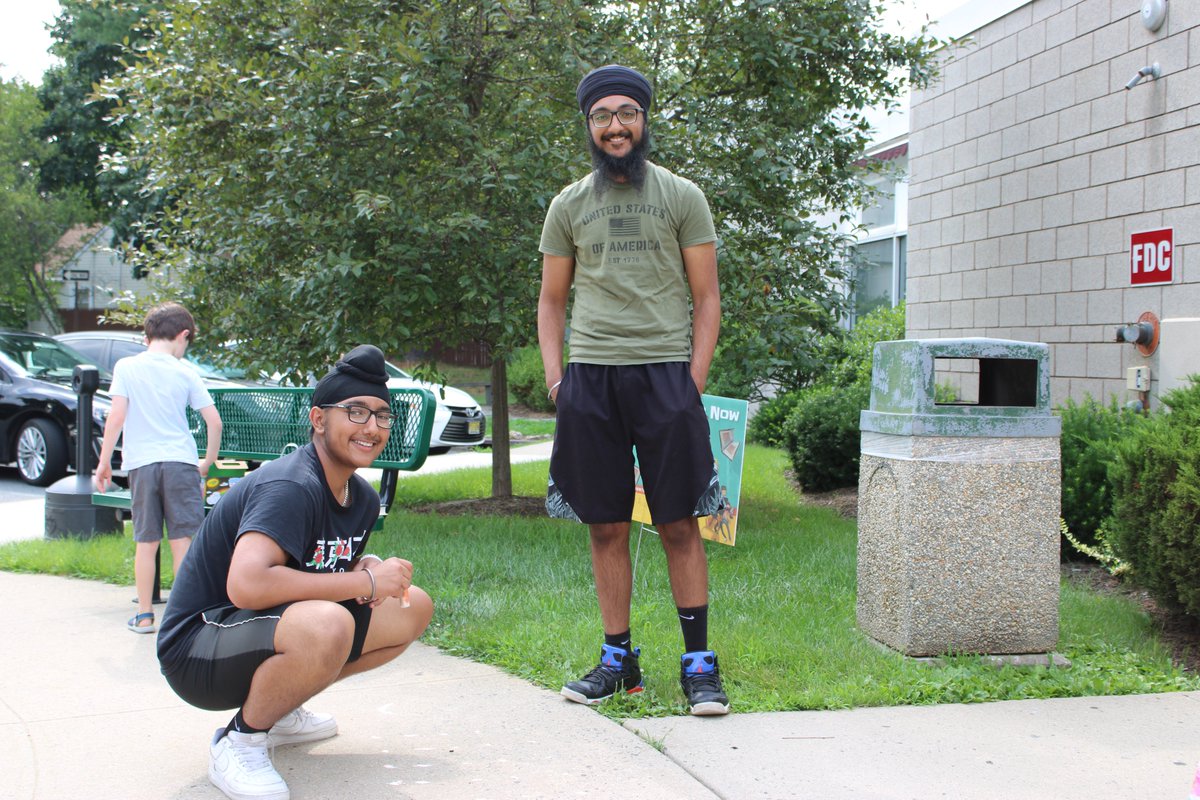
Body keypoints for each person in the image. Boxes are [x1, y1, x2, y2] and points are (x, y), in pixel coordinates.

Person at [156, 344, 434, 800]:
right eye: (357, 412)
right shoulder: (291, 484)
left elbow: (313, 572)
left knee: (412, 606)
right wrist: (363, 582)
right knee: (328, 623)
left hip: (258, 631)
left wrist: (362, 567)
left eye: (383, 416)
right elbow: (248, 584)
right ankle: (240, 741)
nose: (372, 427)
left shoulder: (359, 498)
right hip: (197, 647)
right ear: (319, 420)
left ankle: (281, 708)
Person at [537, 64, 728, 716]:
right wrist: (557, 377)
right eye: (601, 116)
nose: (615, 126)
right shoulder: (568, 205)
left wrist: (691, 382)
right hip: (590, 379)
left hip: (665, 374)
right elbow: (551, 300)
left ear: (644, 119)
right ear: (588, 125)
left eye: (626, 113)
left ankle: (699, 664)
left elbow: (707, 299)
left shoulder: (682, 197)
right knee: (605, 525)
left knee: (679, 521)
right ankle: (618, 659)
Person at [94, 302, 223, 634]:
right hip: (180, 462)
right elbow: (214, 421)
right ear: (183, 335)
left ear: (148, 334)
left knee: (146, 542)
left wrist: (105, 460)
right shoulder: (185, 372)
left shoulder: (126, 366)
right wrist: (206, 462)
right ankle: (184, 619)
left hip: (141, 464)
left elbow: (117, 416)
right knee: (182, 542)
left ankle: (145, 615)